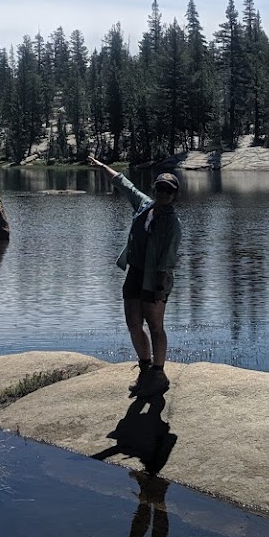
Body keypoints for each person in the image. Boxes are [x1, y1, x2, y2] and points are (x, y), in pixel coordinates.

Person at [86, 155, 181, 397]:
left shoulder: (172, 223)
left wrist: (160, 287)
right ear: (155, 189)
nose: (163, 194)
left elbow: (168, 258)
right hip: (135, 273)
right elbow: (124, 183)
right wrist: (100, 166)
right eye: (160, 188)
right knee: (133, 323)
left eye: (168, 191)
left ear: (174, 196)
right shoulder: (144, 205)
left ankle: (159, 375)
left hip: (156, 279)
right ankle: (145, 369)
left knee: (156, 326)